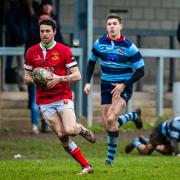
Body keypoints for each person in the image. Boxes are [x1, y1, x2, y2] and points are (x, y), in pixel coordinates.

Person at [24, 19, 96, 174]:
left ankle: (80, 129)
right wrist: (33, 79)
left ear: (54, 32)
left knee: (70, 129)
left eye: (47, 31)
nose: (44, 34)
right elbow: (26, 76)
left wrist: (59, 78)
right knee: (62, 136)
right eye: (42, 31)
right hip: (44, 101)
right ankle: (86, 166)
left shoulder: (64, 50)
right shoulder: (31, 52)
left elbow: (77, 75)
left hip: (62, 96)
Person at [84, 14, 145, 165]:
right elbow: (91, 62)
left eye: (114, 24)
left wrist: (124, 84)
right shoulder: (99, 43)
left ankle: (109, 160)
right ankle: (133, 116)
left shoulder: (129, 47)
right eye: (109, 24)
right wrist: (87, 82)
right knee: (108, 124)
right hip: (105, 86)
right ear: (107, 27)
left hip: (122, 87)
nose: (112, 26)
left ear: (120, 26)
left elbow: (141, 70)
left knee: (112, 118)